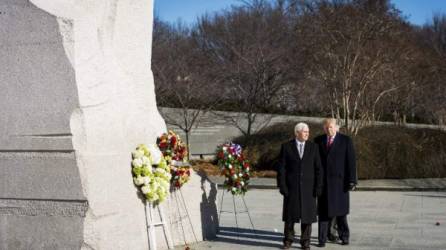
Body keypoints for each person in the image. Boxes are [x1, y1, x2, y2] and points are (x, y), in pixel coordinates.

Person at [277, 122, 323, 250]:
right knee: (290, 216)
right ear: (297, 133)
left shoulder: (314, 147)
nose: (307, 133)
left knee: (307, 217)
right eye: (304, 131)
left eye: (308, 131)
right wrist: (282, 186)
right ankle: (288, 240)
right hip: (291, 188)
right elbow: (282, 169)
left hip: (309, 189)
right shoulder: (286, 147)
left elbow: (319, 169)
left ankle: (305, 242)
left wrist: (319, 187)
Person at [314, 118, 357, 247]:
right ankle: (321, 240)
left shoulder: (345, 141)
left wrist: (352, 180)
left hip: (340, 183)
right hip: (323, 183)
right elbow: (314, 162)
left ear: (336, 127)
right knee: (323, 213)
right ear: (324, 128)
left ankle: (344, 237)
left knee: (341, 214)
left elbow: (351, 162)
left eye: (331, 127)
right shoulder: (318, 141)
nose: (329, 129)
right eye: (326, 127)